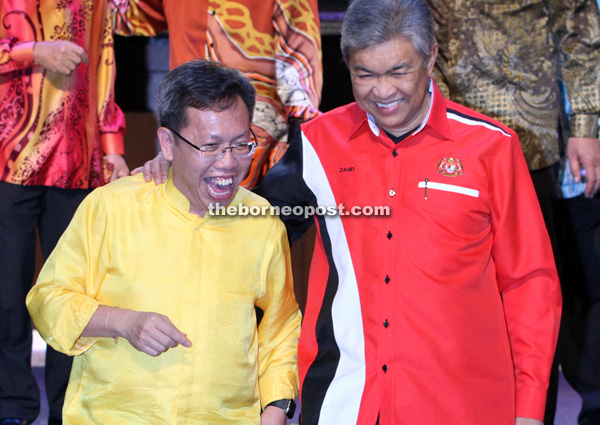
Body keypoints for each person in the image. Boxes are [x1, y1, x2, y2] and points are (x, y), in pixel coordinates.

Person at [139, 0, 562, 423]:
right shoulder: (320, 144)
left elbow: (531, 283)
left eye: (399, 71)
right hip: (345, 400)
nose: (383, 91)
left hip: (462, 403)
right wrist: (183, 174)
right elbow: (249, 229)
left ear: (431, 55)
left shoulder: (491, 147)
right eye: (365, 74)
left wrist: (529, 409)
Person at [26, 60, 302, 425]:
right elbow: (47, 299)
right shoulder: (112, 207)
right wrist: (120, 322)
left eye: (240, 145)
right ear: (168, 144)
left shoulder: (261, 221)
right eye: (211, 146)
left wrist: (277, 408)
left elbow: (280, 328)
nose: (229, 163)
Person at [429, 1, 600, 423]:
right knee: (449, 299)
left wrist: (585, 124)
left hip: (529, 144)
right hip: (439, 140)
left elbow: (579, 22)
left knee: (529, 294)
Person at [0, 1, 129, 424]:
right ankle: (11, 408)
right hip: (8, 156)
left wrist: (113, 149)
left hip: (77, 160)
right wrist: (33, 51)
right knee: (7, 294)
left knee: (72, 295)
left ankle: (67, 408)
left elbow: (104, 69)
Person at [112, 0, 323, 188]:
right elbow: (129, 15)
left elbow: (299, 49)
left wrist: (300, 142)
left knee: (244, 221)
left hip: (254, 136)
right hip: (187, 131)